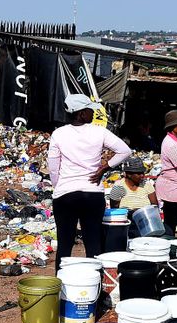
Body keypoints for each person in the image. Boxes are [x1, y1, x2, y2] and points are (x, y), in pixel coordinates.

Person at [48, 94, 132, 269]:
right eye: (90, 110)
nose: (94, 113)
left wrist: (59, 187)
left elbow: (53, 168)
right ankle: (96, 286)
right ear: (80, 114)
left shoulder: (59, 134)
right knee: (93, 242)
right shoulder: (99, 132)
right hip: (92, 194)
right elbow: (125, 151)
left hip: (65, 195)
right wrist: (104, 168)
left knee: (64, 244)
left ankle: (61, 288)